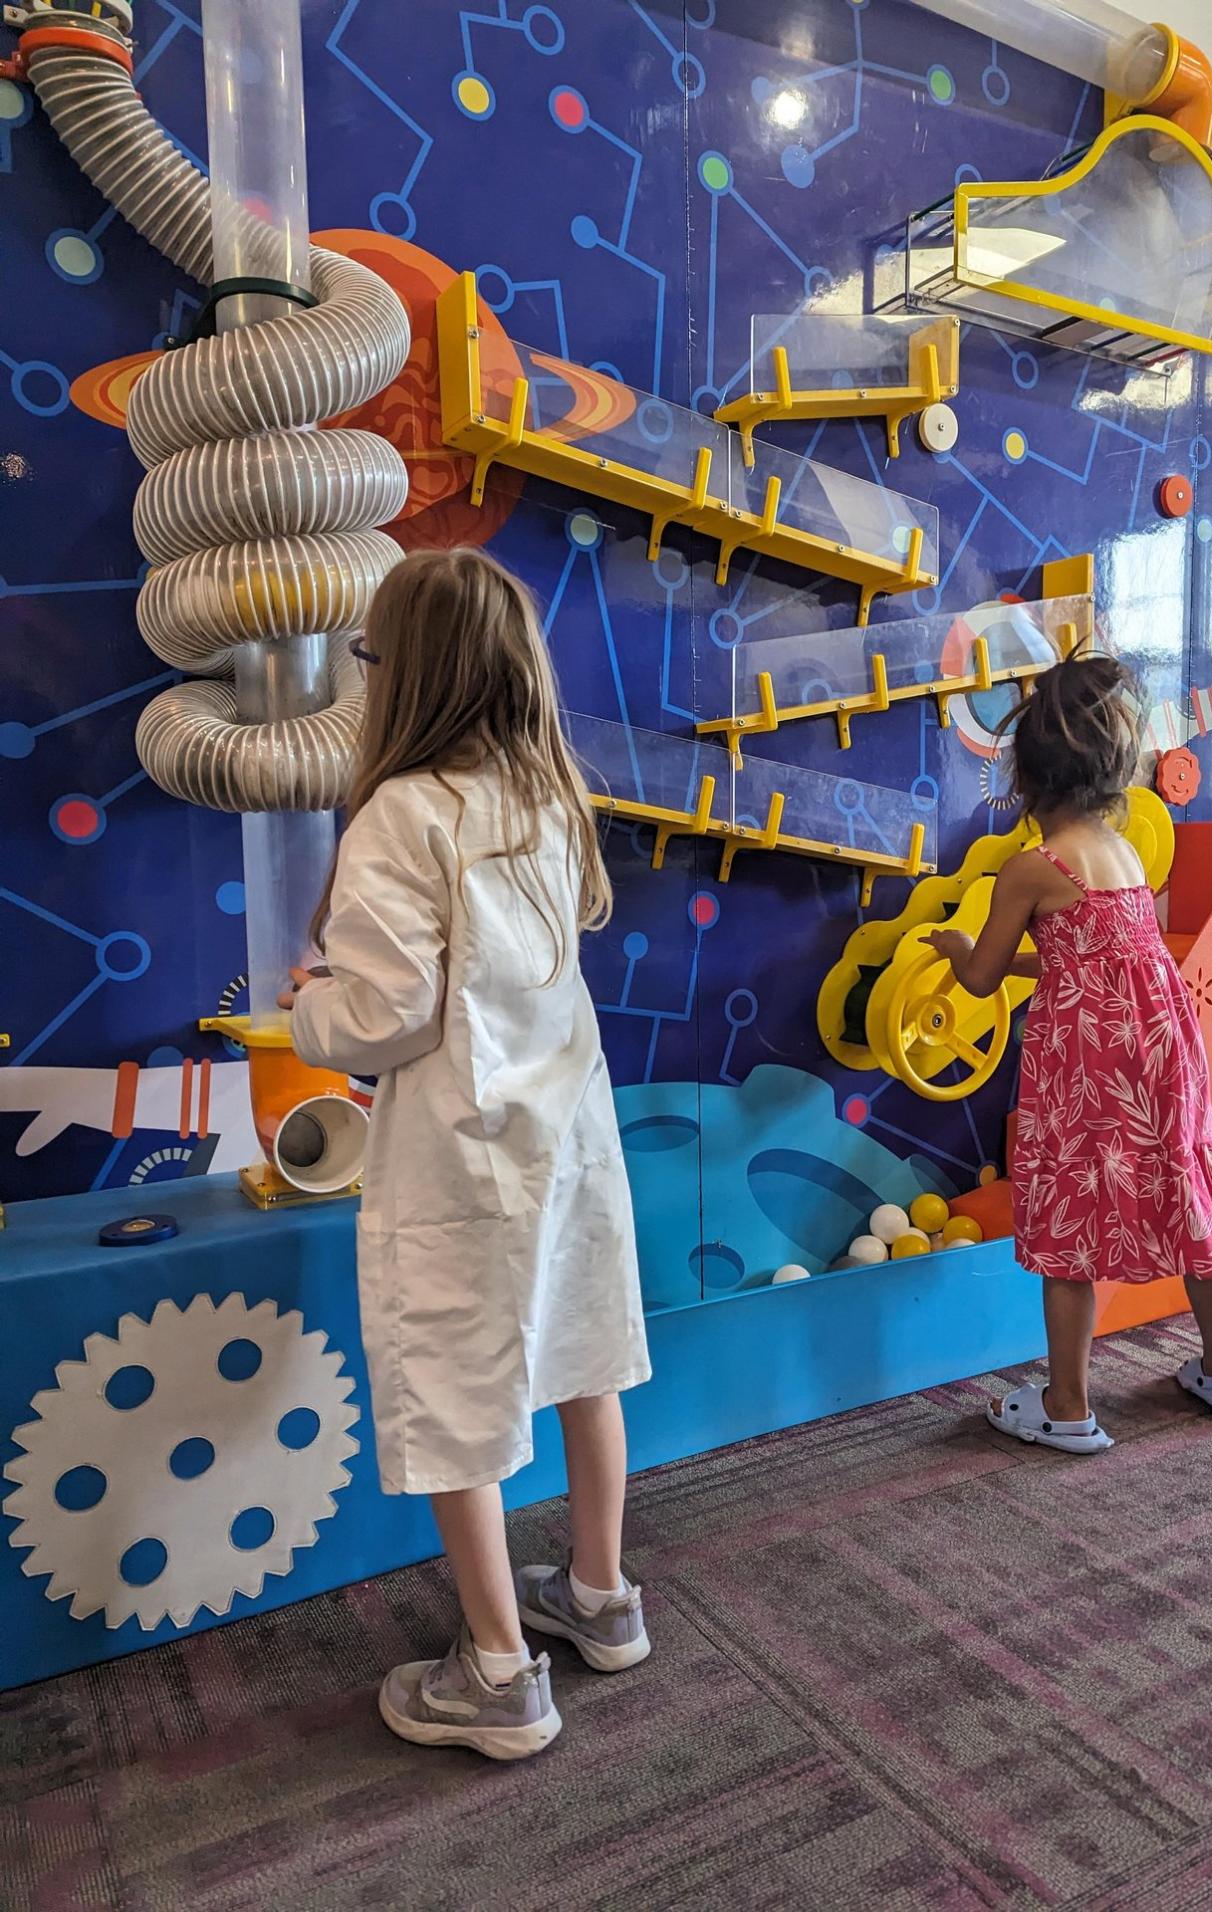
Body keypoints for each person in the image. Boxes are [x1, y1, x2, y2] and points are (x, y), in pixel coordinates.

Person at [286, 547, 652, 1760]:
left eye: (368, 657)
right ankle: (599, 1596)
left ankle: (499, 1671)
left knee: (455, 1393)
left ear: (403, 676)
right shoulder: (545, 793)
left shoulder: (403, 811)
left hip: (462, 1157)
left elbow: (385, 1016)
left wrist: (309, 1005)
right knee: (586, 1355)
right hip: (568, 1145)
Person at [926, 653, 1212, 1455]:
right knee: (1188, 1186)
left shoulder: (1031, 869)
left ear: (1026, 778)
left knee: (1074, 1210)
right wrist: (1012, 959)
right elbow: (1096, 958)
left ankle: (1068, 1406)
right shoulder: (1122, 852)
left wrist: (960, 944)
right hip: (1163, 1053)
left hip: (1088, 1065)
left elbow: (976, 983)